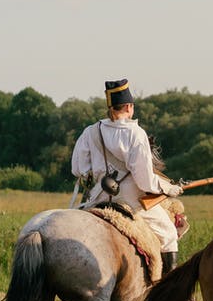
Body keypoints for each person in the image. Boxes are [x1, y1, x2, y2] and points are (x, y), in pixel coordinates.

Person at [71, 79, 183, 273]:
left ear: (110, 107)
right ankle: (166, 290)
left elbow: (78, 169)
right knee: (169, 233)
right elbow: (145, 181)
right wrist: (170, 188)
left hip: (98, 196)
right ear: (130, 107)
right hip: (131, 200)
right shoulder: (136, 133)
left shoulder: (90, 132)